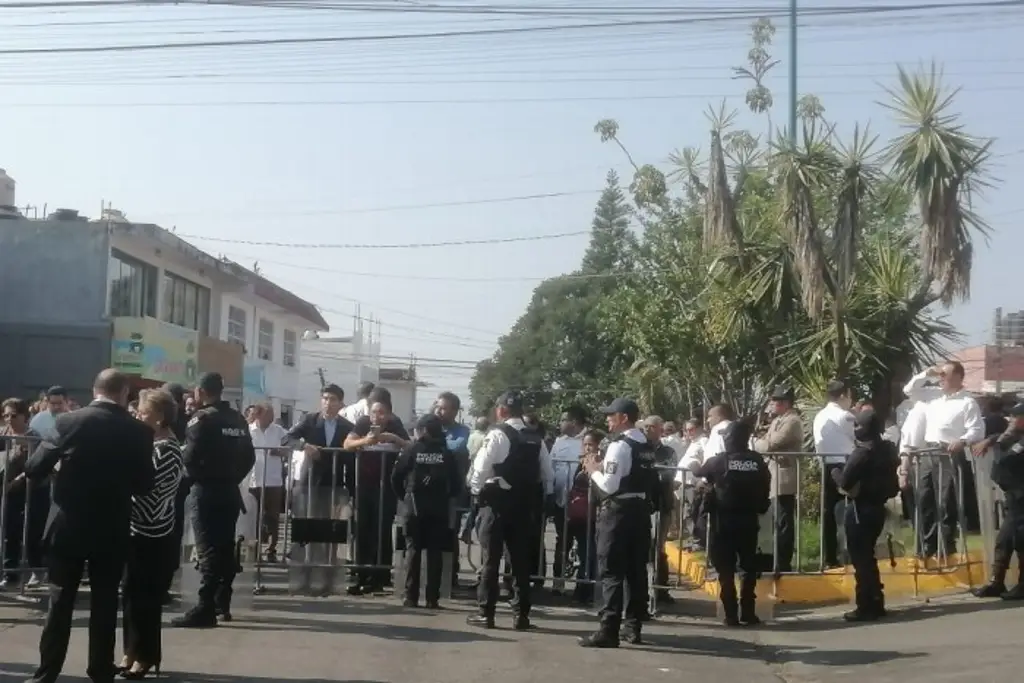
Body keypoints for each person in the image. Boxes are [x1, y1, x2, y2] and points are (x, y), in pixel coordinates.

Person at [21, 369, 155, 683]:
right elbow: (145, 485)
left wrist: (60, 468)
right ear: (123, 393)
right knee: (105, 601)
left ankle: (47, 672)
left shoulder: (68, 422)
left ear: (95, 391)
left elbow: (33, 468)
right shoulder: (139, 431)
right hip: (112, 526)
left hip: (69, 523)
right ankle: (100, 670)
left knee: (60, 600)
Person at [172, 372, 256, 628]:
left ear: (201, 392)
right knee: (224, 547)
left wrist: (202, 478)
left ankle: (205, 607)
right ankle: (222, 602)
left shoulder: (201, 419)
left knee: (208, 549)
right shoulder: (238, 419)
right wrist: (231, 476)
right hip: (230, 490)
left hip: (206, 491)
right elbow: (249, 458)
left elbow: (189, 458)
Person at [466, 391, 554, 630]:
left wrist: (476, 490)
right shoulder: (536, 438)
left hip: (497, 504)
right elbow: (548, 473)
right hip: (524, 505)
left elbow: (481, 468)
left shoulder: (497, 434)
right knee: (520, 562)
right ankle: (521, 615)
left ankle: (487, 613)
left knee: (490, 560)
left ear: (502, 410)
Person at [578, 397, 658, 648]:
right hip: (640, 511)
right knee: (636, 572)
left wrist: (593, 471)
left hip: (618, 512)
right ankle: (633, 627)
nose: (607, 420)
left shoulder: (619, 446)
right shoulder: (645, 444)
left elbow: (610, 485)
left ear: (624, 418)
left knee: (612, 570)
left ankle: (609, 630)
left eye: (611, 415)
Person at [120, 389, 185, 679]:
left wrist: (123, 494)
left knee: (146, 598)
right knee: (130, 595)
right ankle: (130, 650)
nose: (137, 416)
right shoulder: (148, 443)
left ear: (158, 417)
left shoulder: (168, 450)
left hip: (154, 534)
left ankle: (146, 656)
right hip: (135, 530)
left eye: (143, 412)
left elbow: (155, 495)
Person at [694, 420, 771, 627]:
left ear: (729, 439)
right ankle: (748, 612)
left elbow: (699, 473)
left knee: (725, 569)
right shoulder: (757, 461)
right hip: (749, 520)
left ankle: (730, 614)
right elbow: (766, 487)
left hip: (723, 522)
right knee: (748, 567)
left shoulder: (718, 461)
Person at [285, 384, 355, 595]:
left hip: (334, 485)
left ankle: (328, 581)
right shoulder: (309, 420)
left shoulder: (346, 426)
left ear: (341, 403)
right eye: (325, 398)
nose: (328, 403)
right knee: (307, 533)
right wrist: (304, 446)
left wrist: (350, 490)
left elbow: (351, 458)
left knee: (331, 535)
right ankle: (304, 579)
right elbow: (287, 438)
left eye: (333, 399)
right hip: (309, 484)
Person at [832, 409, 900, 622]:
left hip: (861, 510)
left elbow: (845, 481)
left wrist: (835, 472)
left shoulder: (862, 453)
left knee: (861, 560)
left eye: (858, 426)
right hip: (879, 509)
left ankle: (865, 605)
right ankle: (876, 601)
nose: (855, 430)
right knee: (868, 558)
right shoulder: (888, 449)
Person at [343, 388, 410, 594]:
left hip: (386, 486)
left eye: (381, 413)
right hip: (363, 485)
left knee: (382, 529)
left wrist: (392, 438)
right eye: (374, 412)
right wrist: (367, 441)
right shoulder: (363, 423)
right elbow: (347, 444)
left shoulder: (396, 425)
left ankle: (380, 575)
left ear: (389, 413)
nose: (377, 417)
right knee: (362, 529)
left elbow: (411, 446)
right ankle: (361, 572)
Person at [391, 413, 460, 608]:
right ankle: (432, 598)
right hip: (438, 508)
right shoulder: (447, 453)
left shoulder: (412, 449)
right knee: (435, 552)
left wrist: (403, 497)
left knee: (413, 550)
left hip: (414, 506)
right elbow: (456, 483)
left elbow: (396, 477)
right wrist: (447, 497)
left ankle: (410, 596)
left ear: (423, 431)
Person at [918, 361, 984, 558]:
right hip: (929, 451)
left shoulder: (967, 402)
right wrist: (926, 374)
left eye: (944, 374)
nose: (941, 378)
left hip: (948, 451)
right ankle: (928, 545)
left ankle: (946, 545)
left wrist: (963, 441)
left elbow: (977, 430)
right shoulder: (935, 398)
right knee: (925, 497)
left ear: (957, 377)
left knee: (946, 501)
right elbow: (909, 390)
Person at [974, 403, 1024, 599]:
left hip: (1022, 497)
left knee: (1019, 540)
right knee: (1005, 540)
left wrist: (1001, 439)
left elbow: (1007, 459)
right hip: (1014, 496)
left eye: (1015, 417)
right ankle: (997, 582)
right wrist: (992, 439)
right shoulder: (1015, 436)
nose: (1010, 421)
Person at [752, 386, 804, 573]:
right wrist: (760, 442)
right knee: (777, 519)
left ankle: (784, 561)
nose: (772, 405)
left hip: (785, 476)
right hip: (775, 474)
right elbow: (765, 441)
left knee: (784, 520)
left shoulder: (792, 421)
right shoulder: (777, 421)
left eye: (776, 402)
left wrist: (756, 443)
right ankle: (777, 558)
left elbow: (770, 444)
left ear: (785, 403)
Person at [812, 380, 857, 568]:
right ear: (843, 395)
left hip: (826, 466)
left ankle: (830, 557)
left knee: (829, 514)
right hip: (846, 465)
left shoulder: (819, 416)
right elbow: (857, 438)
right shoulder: (845, 416)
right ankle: (853, 554)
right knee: (853, 512)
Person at [0, 398, 43, 589]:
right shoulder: (3, 434)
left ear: (25, 416)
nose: (9, 419)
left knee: (29, 531)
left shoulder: (33, 436)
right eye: (5, 415)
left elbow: (37, 464)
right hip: (5, 490)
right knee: (8, 532)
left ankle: (35, 569)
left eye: (13, 415)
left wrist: (17, 481)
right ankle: (9, 573)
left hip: (29, 491)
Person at [433, 392, 470, 589]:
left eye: (444, 408)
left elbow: (456, 447)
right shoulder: (428, 427)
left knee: (449, 533)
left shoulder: (463, 432)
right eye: (437, 406)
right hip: (431, 490)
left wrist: (436, 444)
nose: (439, 411)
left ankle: (450, 575)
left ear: (455, 411)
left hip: (452, 491)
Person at [550, 406, 586, 594]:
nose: (560, 423)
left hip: (583, 504)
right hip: (561, 502)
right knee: (562, 541)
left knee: (584, 543)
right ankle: (558, 581)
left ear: (573, 422)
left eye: (563, 420)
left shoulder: (590, 440)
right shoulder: (558, 442)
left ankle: (583, 585)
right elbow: (551, 469)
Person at [248, 403, 288, 563]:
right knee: (254, 517)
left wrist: (279, 451)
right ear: (258, 415)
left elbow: (290, 446)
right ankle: (255, 550)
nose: (271, 417)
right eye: (267, 414)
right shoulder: (248, 430)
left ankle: (272, 549)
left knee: (273, 516)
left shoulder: (278, 430)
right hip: (253, 479)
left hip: (273, 480)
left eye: (272, 414)